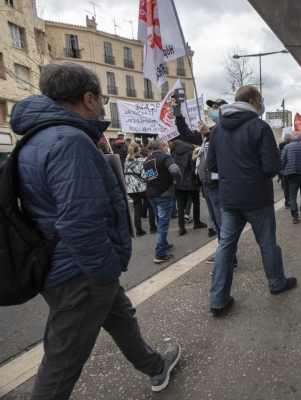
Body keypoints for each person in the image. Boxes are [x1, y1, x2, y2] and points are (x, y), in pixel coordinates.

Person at [10, 61, 181, 398]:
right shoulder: (69, 140)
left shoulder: (38, 137)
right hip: (79, 271)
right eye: (101, 97)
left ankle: (156, 367)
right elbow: (79, 220)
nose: (103, 104)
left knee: (121, 317)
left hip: (65, 261)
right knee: (61, 364)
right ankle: (155, 366)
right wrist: (104, 269)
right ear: (88, 99)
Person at [206, 85, 297, 315]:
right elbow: (272, 167)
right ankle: (277, 283)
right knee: (267, 243)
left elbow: (212, 165)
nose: (261, 103)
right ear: (251, 101)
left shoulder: (217, 130)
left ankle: (218, 300)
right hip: (257, 198)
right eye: (260, 99)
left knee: (225, 247)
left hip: (228, 199)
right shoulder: (259, 127)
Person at [173, 98, 239, 268]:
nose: (213, 110)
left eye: (216, 108)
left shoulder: (226, 129)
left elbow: (227, 147)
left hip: (218, 185)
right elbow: (187, 134)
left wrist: (208, 134)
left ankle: (229, 260)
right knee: (217, 223)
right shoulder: (209, 132)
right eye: (212, 108)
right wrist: (178, 115)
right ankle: (225, 255)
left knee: (223, 224)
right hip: (207, 185)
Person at [144, 138, 182, 263]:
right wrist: (177, 180)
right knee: (163, 224)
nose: (167, 147)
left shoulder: (147, 160)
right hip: (163, 194)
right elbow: (175, 170)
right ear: (161, 147)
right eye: (166, 146)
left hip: (151, 194)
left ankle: (164, 244)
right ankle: (160, 253)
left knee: (160, 220)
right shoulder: (165, 157)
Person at [171, 139, 206, 235]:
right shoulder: (192, 152)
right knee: (196, 202)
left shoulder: (174, 153)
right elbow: (194, 169)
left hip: (179, 182)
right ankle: (197, 222)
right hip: (191, 181)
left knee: (180, 205)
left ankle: (181, 227)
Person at [124, 143, 155, 236]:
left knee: (137, 207)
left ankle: (138, 229)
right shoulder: (142, 160)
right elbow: (146, 175)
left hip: (131, 188)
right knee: (151, 206)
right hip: (142, 187)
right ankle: (153, 226)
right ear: (139, 150)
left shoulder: (126, 161)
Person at [278, 133, 293, 208]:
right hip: (290, 169)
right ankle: (291, 201)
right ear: (290, 139)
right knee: (291, 186)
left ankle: (287, 202)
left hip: (282, 169)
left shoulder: (280, 147)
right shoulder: (291, 146)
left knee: (285, 187)